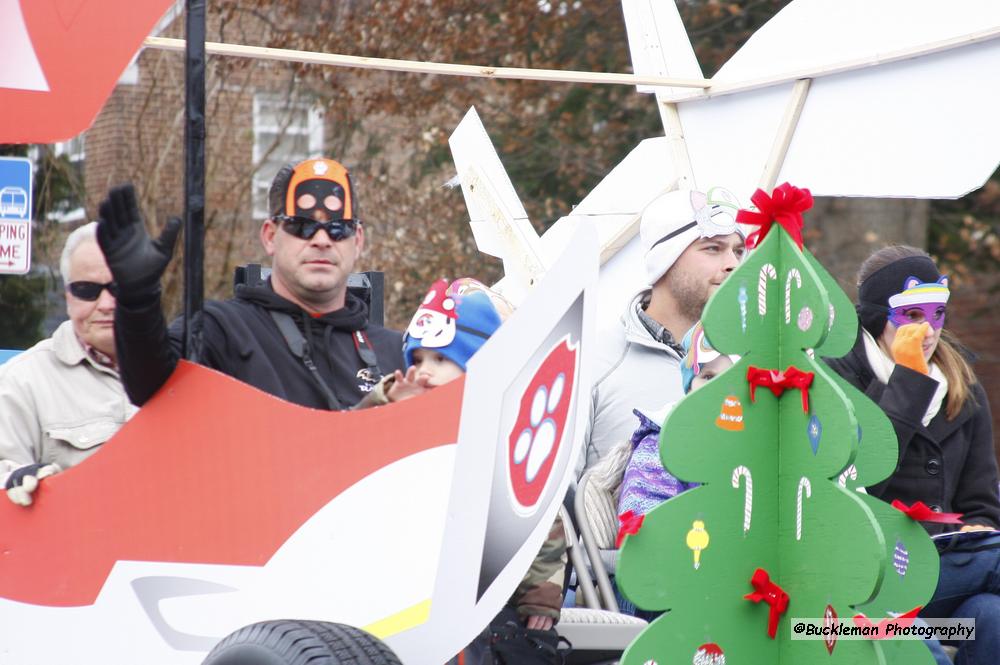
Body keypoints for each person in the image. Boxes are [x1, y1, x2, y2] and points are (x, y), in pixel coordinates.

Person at [95, 157, 405, 410]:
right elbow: (148, 385)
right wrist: (137, 298)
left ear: (358, 240)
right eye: (302, 226)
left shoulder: (397, 352)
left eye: (338, 229)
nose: (322, 240)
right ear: (270, 236)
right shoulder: (221, 329)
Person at [360, 278, 567, 633]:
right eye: (419, 358)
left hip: (483, 595)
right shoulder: (397, 421)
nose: (425, 370)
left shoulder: (504, 437)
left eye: (441, 359)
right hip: (397, 590)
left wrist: (540, 594)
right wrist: (387, 403)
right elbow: (349, 447)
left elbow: (539, 520)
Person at [825, 245, 1000, 665]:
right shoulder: (839, 379)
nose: (929, 330)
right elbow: (860, 480)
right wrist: (908, 383)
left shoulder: (962, 385)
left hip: (947, 574)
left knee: (992, 618)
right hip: (869, 579)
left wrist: (974, 529)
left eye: (937, 314)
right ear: (876, 316)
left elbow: (984, 504)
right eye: (913, 315)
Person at [580, 187, 745, 476]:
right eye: (713, 248)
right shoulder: (591, 363)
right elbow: (551, 510)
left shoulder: (755, 360)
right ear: (666, 260)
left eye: (738, 250)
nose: (734, 263)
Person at [0, 222, 138, 506]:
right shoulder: (21, 382)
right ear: (67, 297)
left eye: (119, 287)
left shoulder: (188, 371)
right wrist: (16, 480)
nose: (106, 303)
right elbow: (5, 471)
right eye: (87, 289)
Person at [616, 322, 734, 518]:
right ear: (689, 388)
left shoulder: (759, 446)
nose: (718, 389)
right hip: (688, 544)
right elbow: (644, 525)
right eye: (708, 377)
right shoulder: (660, 447)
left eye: (732, 378)